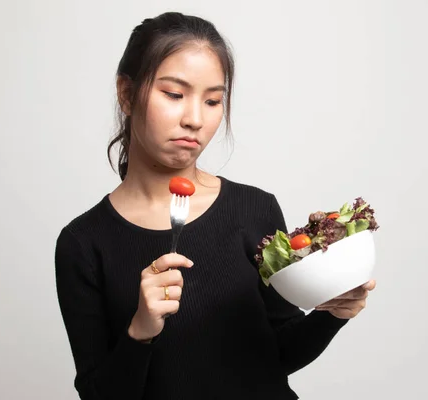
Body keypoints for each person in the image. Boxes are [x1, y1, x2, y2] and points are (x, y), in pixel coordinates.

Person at [54, 11, 376, 400]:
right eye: (174, 94)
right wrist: (140, 331)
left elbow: (277, 355)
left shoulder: (254, 208)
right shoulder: (83, 243)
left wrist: (332, 314)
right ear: (126, 94)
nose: (194, 119)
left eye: (212, 101)